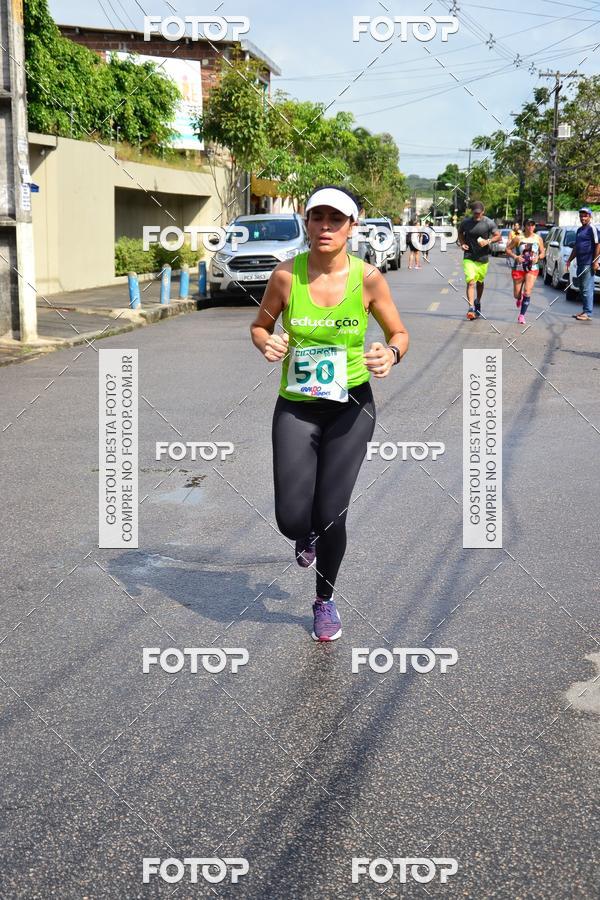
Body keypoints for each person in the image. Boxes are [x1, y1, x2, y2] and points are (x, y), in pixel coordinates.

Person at [250, 186, 409, 642]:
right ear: (306, 222)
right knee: (290, 518)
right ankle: (305, 534)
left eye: (335, 219)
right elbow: (260, 325)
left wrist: (391, 354)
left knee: (331, 514)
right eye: (317, 217)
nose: (325, 227)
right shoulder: (285, 277)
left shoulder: (369, 278)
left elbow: (399, 332)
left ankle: (324, 600)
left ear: (351, 227)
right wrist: (268, 342)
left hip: (351, 409)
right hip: (296, 408)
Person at [458, 201, 501, 319]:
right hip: (469, 256)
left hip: (483, 258)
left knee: (480, 283)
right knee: (471, 281)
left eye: (479, 213)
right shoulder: (466, 222)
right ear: (472, 212)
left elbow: (498, 235)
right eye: (475, 213)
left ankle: (478, 301)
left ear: (483, 211)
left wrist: (488, 241)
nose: (477, 215)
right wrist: (462, 243)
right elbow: (460, 233)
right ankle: (471, 307)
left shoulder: (488, 222)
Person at [506, 218, 545, 325]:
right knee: (517, 294)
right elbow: (508, 249)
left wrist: (538, 258)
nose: (531, 227)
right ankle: (519, 298)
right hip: (519, 268)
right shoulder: (518, 238)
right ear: (525, 226)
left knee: (527, 291)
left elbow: (543, 253)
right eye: (528, 225)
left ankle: (522, 315)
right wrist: (515, 257)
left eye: (533, 225)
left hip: (532, 268)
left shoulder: (538, 238)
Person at [566, 206, 600, 322]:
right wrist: (570, 259)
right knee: (582, 288)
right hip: (580, 262)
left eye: (585, 215)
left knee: (587, 289)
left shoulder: (592, 229)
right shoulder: (580, 230)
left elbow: (598, 244)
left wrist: (595, 261)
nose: (582, 217)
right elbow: (576, 246)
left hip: (588, 263)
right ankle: (585, 310)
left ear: (590, 216)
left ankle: (587, 313)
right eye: (581, 215)